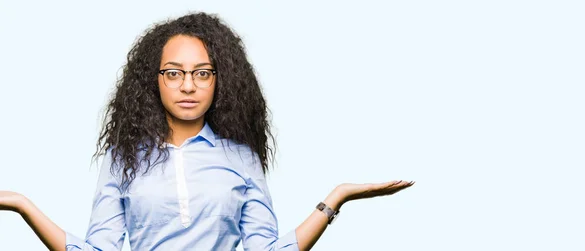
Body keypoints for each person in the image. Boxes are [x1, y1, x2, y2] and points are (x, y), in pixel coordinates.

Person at [0, 12, 414, 250]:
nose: (187, 85)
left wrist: (335, 198)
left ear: (220, 80)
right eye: (174, 73)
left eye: (202, 73)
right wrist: (21, 204)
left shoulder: (241, 156)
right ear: (154, 79)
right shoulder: (124, 157)